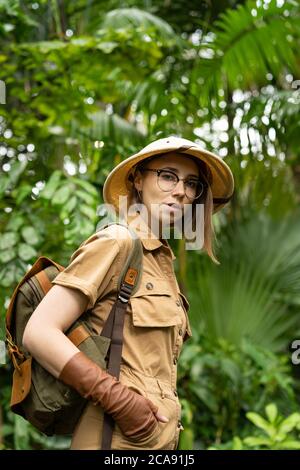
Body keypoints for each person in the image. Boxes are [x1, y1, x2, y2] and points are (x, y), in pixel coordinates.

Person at [22, 136, 234, 450]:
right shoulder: (118, 242)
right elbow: (38, 332)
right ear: (137, 179)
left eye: (192, 183)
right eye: (167, 176)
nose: (181, 190)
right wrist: (122, 403)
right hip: (114, 438)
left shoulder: (159, 261)